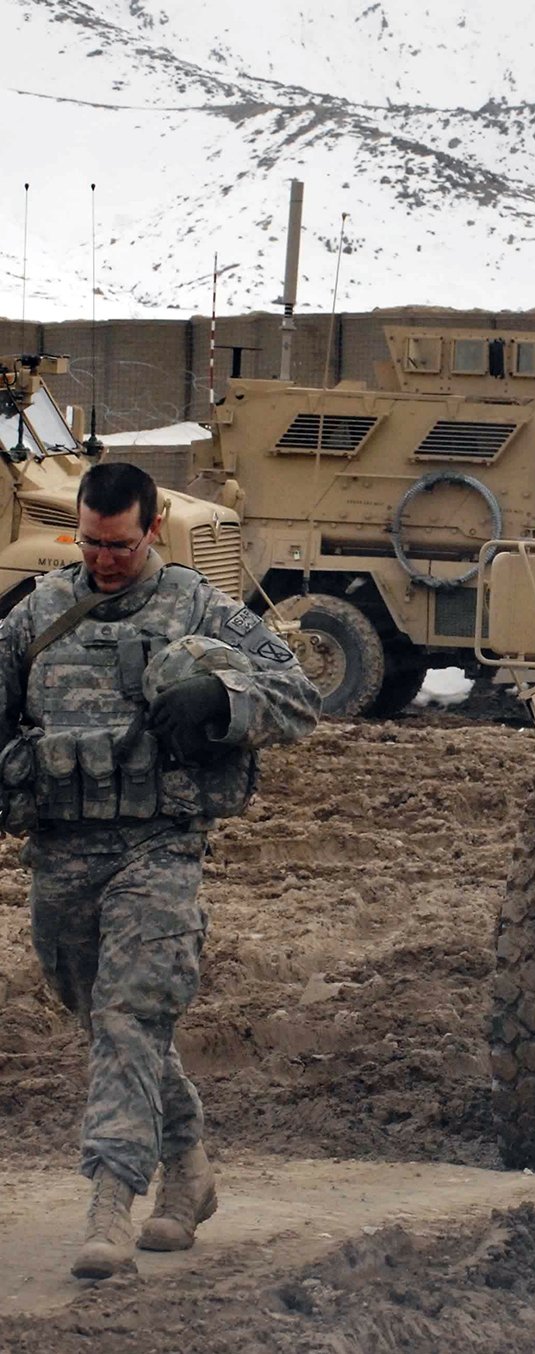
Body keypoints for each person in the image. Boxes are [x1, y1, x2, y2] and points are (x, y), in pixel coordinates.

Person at [0, 462, 320, 1281]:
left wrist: (222, 702)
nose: (104, 559)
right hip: (63, 851)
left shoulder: (200, 608)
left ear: (151, 532)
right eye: (91, 543)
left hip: (159, 847)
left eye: (120, 544)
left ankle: (111, 1198)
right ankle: (190, 1164)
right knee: (104, 1018)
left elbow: (300, 696)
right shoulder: (37, 613)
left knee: (128, 1016)